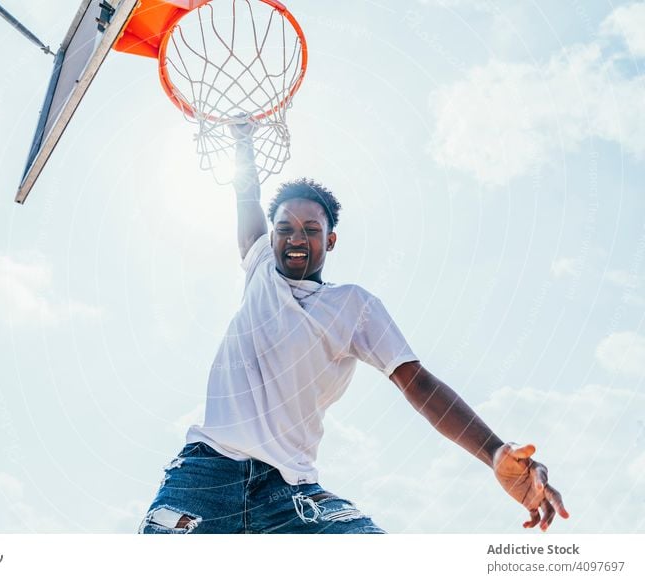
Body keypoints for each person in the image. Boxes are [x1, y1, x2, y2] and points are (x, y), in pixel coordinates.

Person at [138, 123, 569, 534]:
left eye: (311, 230)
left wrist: (493, 450)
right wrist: (242, 141)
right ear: (270, 239)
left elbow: (417, 382)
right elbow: (246, 195)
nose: (295, 238)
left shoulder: (353, 307)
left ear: (330, 240)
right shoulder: (260, 270)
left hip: (292, 492)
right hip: (208, 471)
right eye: (284, 228)